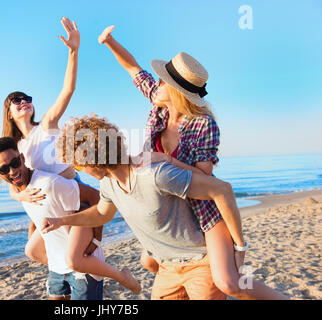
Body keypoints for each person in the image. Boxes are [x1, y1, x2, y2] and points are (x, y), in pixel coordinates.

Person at [97, 26, 289, 299]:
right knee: (149, 262)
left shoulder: (203, 124)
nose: (157, 83)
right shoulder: (159, 107)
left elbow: (207, 180)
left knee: (229, 283)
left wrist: (164, 159)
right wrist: (109, 42)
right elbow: (134, 69)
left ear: (176, 91)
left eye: (163, 81)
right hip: (167, 210)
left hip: (202, 213)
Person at [41, 115, 288, 300]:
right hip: (167, 269)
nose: (79, 170)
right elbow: (102, 214)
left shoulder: (155, 174)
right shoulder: (109, 185)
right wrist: (62, 221)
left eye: (80, 164)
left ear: (93, 159)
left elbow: (221, 189)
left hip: (200, 263)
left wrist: (239, 245)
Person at [0, 137, 141, 299]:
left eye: (15, 163)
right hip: (56, 267)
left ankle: (121, 276)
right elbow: (40, 212)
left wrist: (97, 238)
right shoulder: (19, 191)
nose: (12, 171)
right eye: (4, 169)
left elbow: (97, 197)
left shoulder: (49, 183)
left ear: (23, 159)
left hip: (83, 265)